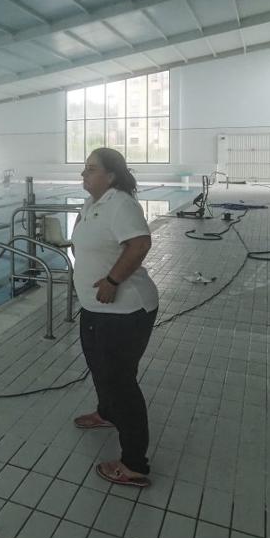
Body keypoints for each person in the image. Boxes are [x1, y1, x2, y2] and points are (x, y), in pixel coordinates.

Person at [71, 147, 159, 487]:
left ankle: (134, 464)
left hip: (124, 310)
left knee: (121, 384)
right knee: (99, 368)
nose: (84, 174)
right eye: (84, 169)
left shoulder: (121, 203)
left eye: (91, 169)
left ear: (110, 175)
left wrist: (111, 280)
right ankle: (106, 413)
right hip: (96, 309)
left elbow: (140, 244)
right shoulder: (93, 203)